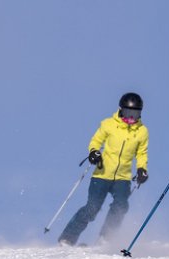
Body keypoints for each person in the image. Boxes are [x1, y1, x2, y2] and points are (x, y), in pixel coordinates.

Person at [58, 93, 149, 246]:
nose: (131, 119)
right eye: (128, 114)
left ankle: (106, 237)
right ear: (120, 111)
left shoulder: (141, 131)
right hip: (102, 174)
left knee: (121, 206)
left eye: (135, 114)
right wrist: (94, 152)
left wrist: (141, 169)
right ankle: (67, 238)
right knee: (92, 208)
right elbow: (96, 141)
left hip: (122, 177)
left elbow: (141, 153)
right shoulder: (108, 124)